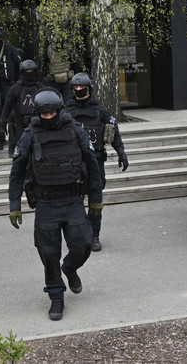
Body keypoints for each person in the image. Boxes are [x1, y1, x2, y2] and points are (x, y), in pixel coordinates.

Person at [8, 89, 103, 321]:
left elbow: (92, 163)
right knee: (49, 254)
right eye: (44, 114)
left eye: (52, 113)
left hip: (73, 200)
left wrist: (96, 199)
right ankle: (56, 297)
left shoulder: (75, 131)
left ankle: (70, 268)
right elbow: (17, 170)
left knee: (84, 246)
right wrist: (14, 204)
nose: (48, 117)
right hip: (46, 203)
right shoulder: (29, 135)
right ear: (38, 113)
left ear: (60, 110)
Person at [64, 72, 129, 252]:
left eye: (81, 87)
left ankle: (94, 236)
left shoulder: (100, 110)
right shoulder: (66, 111)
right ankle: (80, 235)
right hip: (74, 164)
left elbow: (113, 133)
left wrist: (121, 153)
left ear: (89, 88)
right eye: (75, 88)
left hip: (95, 164)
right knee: (75, 203)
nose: (78, 90)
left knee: (96, 203)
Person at [0, 59, 44, 158]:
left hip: (38, 123)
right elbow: (6, 108)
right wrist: (2, 126)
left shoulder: (40, 88)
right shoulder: (15, 88)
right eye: (26, 71)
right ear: (22, 72)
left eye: (31, 71)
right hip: (19, 124)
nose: (29, 73)